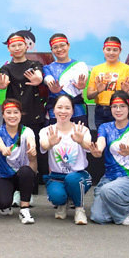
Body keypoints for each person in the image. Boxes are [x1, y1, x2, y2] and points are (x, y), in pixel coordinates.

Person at [89, 91, 129, 225]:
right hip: (109, 178)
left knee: (107, 190)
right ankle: (120, 202)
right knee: (98, 217)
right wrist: (98, 150)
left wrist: (128, 148)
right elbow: (101, 141)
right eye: (114, 107)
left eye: (122, 106)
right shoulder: (105, 127)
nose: (118, 110)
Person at [0, 33, 47, 180]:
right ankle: (10, 180)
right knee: (11, 148)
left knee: (33, 149)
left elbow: (38, 74)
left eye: (20, 45)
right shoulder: (6, 68)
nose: (17, 48)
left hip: (33, 111)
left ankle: (33, 181)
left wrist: (38, 78)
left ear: (26, 46)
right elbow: (4, 80)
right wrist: (2, 84)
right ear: (9, 49)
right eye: (13, 46)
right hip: (12, 114)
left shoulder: (34, 65)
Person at [39, 94, 93, 225]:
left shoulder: (82, 129)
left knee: (72, 179)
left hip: (78, 176)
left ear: (73, 111)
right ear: (53, 110)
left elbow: (88, 146)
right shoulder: (47, 130)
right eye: (59, 107)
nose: (63, 111)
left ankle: (79, 208)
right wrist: (50, 143)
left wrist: (81, 141)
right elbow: (44, 146)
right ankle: (63, 203)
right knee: (57, 196)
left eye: (67, 108)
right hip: (57, 176)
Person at [0, 99, 37, 224]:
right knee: (2, 203)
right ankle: (8, 198)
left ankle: (25, 209)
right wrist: (4, 149)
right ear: (3, 115)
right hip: (3, 176)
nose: (12, 116)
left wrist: (32, 148)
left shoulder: (27, 131)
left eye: (16, 112)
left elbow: (31, 141)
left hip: (21, 175)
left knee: (26, 171)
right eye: (8, 112)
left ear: (21, 114)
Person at [86, 36, 129, 128]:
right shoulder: (96, 69)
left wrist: (126, 92)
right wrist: (98, 91)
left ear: (120, 51)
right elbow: (89, 96)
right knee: (102, 136)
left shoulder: (128, 69)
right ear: (103, 50)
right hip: (101, 111)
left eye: (115, 50)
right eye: (108, 49)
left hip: (121, 110)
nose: (111, 53)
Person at [43, 33, 89, 126]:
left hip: (78, 111)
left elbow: (82, 83)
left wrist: (81, 86)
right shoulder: (48, 68)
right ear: (51, 50)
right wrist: (51, 85)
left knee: (80, 134)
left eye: (62, 45)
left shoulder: (80, 65)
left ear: (68, 45)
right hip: (56, 113)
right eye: (55, 47)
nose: (59, 49)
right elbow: (47, 79)